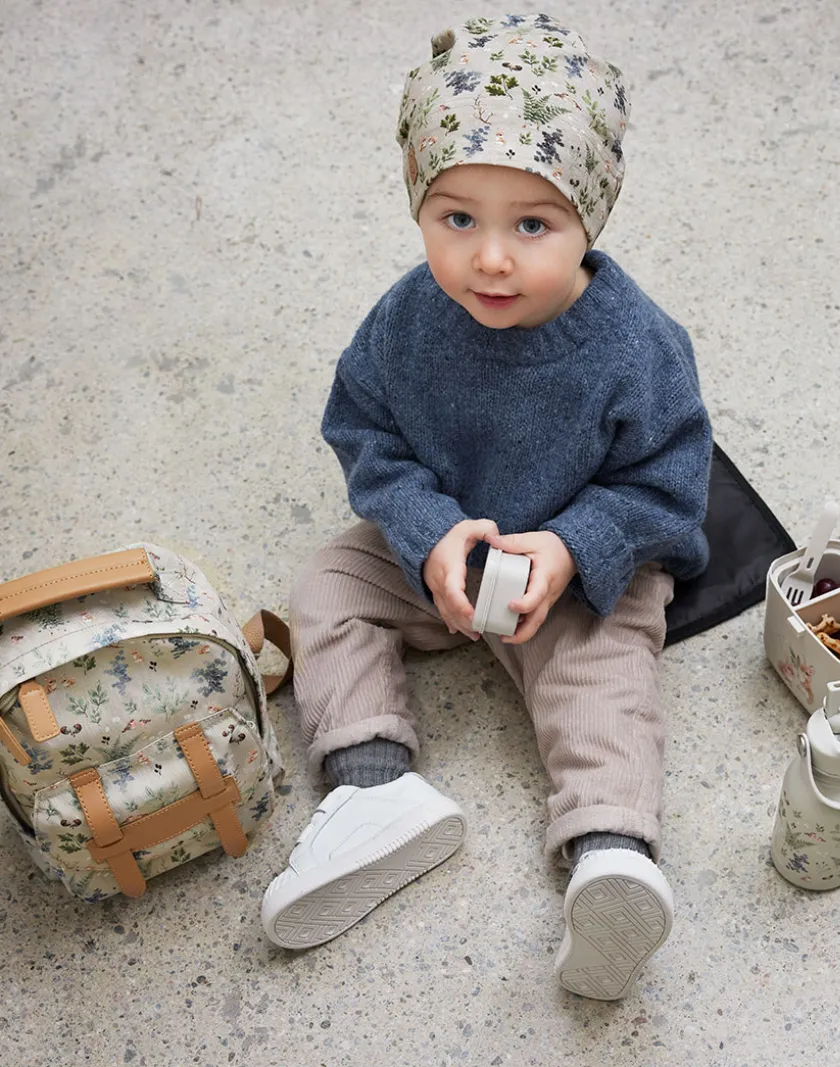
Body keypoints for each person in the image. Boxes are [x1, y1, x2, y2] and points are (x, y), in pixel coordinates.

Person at [261, 12, 712, 1002]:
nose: (491, 260)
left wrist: (575, 543)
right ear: (416, 199)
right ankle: (374, 785)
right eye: (457, 219)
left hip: (576, 571)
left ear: (591, 216)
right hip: (447, 546)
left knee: (603, 680)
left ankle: (610, 854)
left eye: (532, 225)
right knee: (330, 583)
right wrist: (427, 532)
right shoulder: (405, 321)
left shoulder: (638, 348)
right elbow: (365, 432)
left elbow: (670, 483)